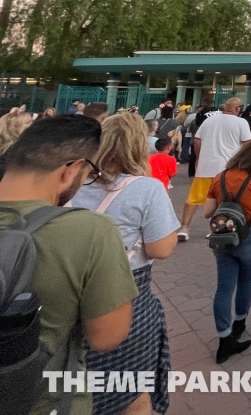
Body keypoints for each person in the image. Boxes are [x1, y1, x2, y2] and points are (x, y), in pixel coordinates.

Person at [0, 116, 138, 415]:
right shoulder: (90, 231)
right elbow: (107, 336)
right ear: (71, 170)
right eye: (88, 175)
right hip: (44, 402)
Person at [71, 112, 179, 415]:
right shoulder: (146, 188)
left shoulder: (74, 182)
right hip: (126, 296)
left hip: (73, 291)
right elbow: (160, 248)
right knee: (131, 393)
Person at [204, 141, 251, 363]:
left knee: (224, 288)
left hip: (223, 237)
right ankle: (240, 322)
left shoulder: (221, 176)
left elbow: (207, 212)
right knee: (246, 281)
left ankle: (224, 338)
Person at [179, 97, 251, 241]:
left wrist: (200, 157)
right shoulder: (241, 122)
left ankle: (184, 228)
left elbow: (197, 140)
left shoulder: (209, 121)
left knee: (193, 199)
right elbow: (247, 144)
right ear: (238, 109)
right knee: (223, 199)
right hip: (227, 169)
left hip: (205, 166)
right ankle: (216, 228)